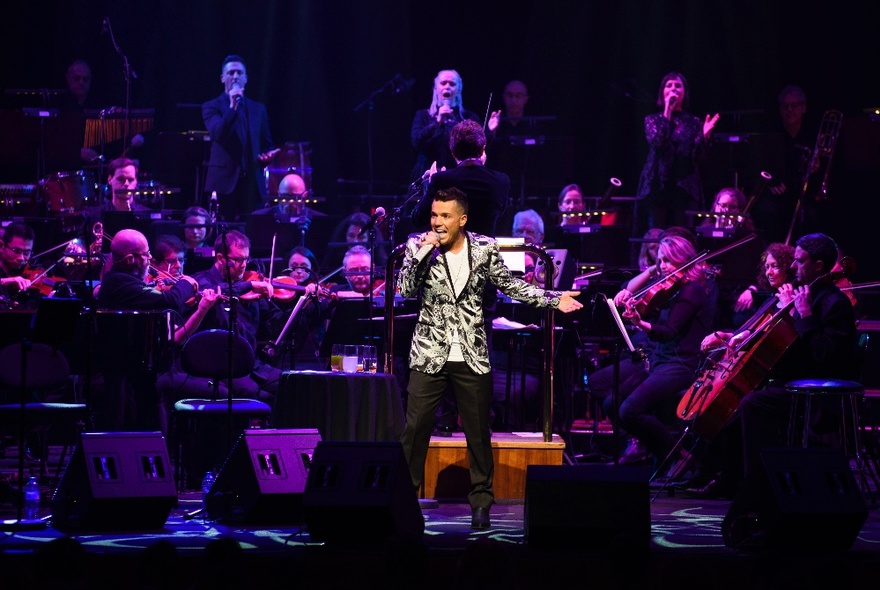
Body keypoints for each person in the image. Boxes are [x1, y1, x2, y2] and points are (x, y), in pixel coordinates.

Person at [397, 187, 582, 529]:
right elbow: (405, 289)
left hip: (472, 354)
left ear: (462, 219)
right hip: (429, 353)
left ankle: (481, 503)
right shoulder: (417, 245)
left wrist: (553, 299)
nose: (437, 222)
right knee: (415, 430)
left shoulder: (483, 248)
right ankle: (405, 504)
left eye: (445, 216)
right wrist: (424, 252)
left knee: (478, 434)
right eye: (434, 215)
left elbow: (512, 286)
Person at [710, 234, 857, 530]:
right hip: (794, 383)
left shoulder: (833, 302)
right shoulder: (806, 294)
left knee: (754, 403)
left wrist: (802, 315)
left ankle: (759, 484)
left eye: (800, 262)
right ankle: (759, 479)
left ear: (818, 266)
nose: (794, 267)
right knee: (748, 400)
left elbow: (822, 356)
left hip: (819, 390)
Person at [587, 233, 716, 471]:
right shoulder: (673, 289)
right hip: (661, 361)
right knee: (612, 403)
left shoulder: (692, 291)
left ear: (682, 259)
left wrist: (639, 322)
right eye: (660, 261)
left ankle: (680, 455)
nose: (662, 267)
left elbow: (669, 331)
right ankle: (660, 452)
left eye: (667, 261)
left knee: (629, 409)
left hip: (682, 365)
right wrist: (632, 305)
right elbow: (649, 310)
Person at [94, 229, 200, 430]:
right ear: (129, 260)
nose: (150, 258)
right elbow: (168, 300)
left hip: (135, 366)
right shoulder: (119, 282)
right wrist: (186, 283)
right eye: (145, 254)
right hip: (122, 368)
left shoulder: (125, 280)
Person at [189, 229, 284, 403]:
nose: (243, 265)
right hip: (219, 365)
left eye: (246, 259)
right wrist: (249, 286)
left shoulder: (250, 289)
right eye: (238, 259)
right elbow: (210, 292)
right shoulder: (202, 280)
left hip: (252, 365)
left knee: (289, 383)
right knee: (249, 390)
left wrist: (304, 304)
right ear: (220, 259)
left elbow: (275, 321)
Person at [634, 72, 720, 238]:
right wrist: (667, 111)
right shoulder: (652, 120)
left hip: (684, 186)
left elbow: (698, 158)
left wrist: (705, 137)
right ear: (662, 92)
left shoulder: (694, 122)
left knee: (683, 235)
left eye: (678, 85)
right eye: (669, 85)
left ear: (684, 92)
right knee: (657, 235)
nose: (673, 89)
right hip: (657, 185)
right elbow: (658, 141)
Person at [202, 54, 279, 221]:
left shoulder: (258, 108)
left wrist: (266, 157)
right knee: (223, 234)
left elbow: (266, 144)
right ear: (222, 78)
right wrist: (233, 107)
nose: (235, 76)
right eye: (230, 73)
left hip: (252, 184)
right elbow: (219, 134)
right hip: (224, 183)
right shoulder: (211, 106)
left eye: (239, 73)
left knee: (252, 233)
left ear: (246, 78)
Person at [412, 119, 509, 238]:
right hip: (486, 254)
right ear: (483, 149)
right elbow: (500, 212)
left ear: (452, 152)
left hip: (451, 255)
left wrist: (430, 187)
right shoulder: (501, 180)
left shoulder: (441, 180)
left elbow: (418, 219)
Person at [751, 85, 816, 244]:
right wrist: (770, 184)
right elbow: (760, 167)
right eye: (785, 106)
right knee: (766, 211)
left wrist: (816, 170)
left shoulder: (813, 136)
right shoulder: (771, 136)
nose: (789, 110)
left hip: (805, 194)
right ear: (780, 110)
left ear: (804, 108)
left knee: (813, 215)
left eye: (794, 105)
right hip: (778, 195)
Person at [409, 70, 499, 183]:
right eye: (443, 83)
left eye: (452, 84)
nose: (447, 86)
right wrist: (438, 122)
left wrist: (490, 131)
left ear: (458, 88)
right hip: (427, 174)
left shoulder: (468, 117)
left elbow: (480, 149)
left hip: (459, 175)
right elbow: (416, 142)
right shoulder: (423, 115)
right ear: (436, 88)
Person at [0, 222, 36, 307]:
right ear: (1, 247)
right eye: (16, 251)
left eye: (27, 252)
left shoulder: (27, 271)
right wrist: (4, 281)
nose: (21, 258)